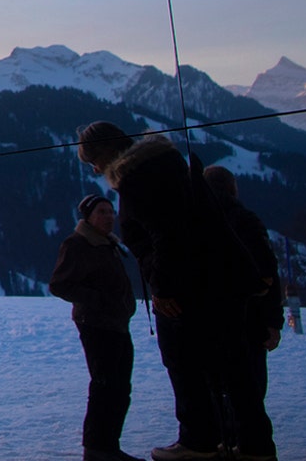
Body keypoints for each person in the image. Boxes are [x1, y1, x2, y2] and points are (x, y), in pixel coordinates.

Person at [75, 122, 268, 461]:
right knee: (233, 366)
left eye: (92, 160)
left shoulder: (138, 179)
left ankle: (199, 442)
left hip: (189, 289)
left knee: (185, 363)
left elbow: (167, 237)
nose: (94, 169)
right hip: (219, 281)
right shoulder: (165, 165)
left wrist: (162, 288)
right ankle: (253, 446)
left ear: (106, 154)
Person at [48, 194, 139, 461]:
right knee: (106, 387)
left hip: (117, 324)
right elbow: (59, 284)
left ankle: (108, 446)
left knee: (119, 388)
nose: (109, 217)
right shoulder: (78, 244)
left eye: (111, 212)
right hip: (97, 325)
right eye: (101, 212)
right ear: (88, 217)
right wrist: (99, 301)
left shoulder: (106, 244)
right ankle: (98, 449)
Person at [201, 166, 281, 458]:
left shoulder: (195, 223)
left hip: (208, 323)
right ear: (232, 188)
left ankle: (225, 443)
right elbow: (268, 274)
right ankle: (251, 447)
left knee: (216, 392)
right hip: (251, 322)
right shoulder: (245, 221)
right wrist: (273, 321)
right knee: (249, 392)